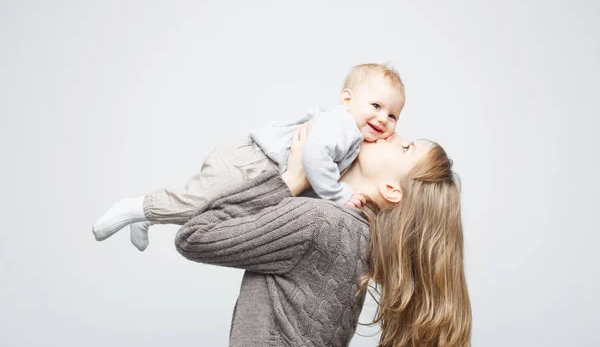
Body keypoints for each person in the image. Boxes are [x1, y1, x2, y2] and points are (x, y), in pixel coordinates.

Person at [175, 123, 472, 347]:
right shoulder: (358, 234)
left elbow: (195, 235)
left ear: (392, 189)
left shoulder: (320, 223)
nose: (392, 133)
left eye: (405, 147)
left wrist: (291, 179)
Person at [91, 63, 405, 251]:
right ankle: (134, 207)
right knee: (195, 205)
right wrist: (338, 194)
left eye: (392, 115)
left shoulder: (352, 131)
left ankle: (148, 216)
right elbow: (313, 157)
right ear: (347, 100)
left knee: (213, 213)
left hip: (259, 168)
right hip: (250, 162)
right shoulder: (344, 126)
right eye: (376, 106)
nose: (383, 119)